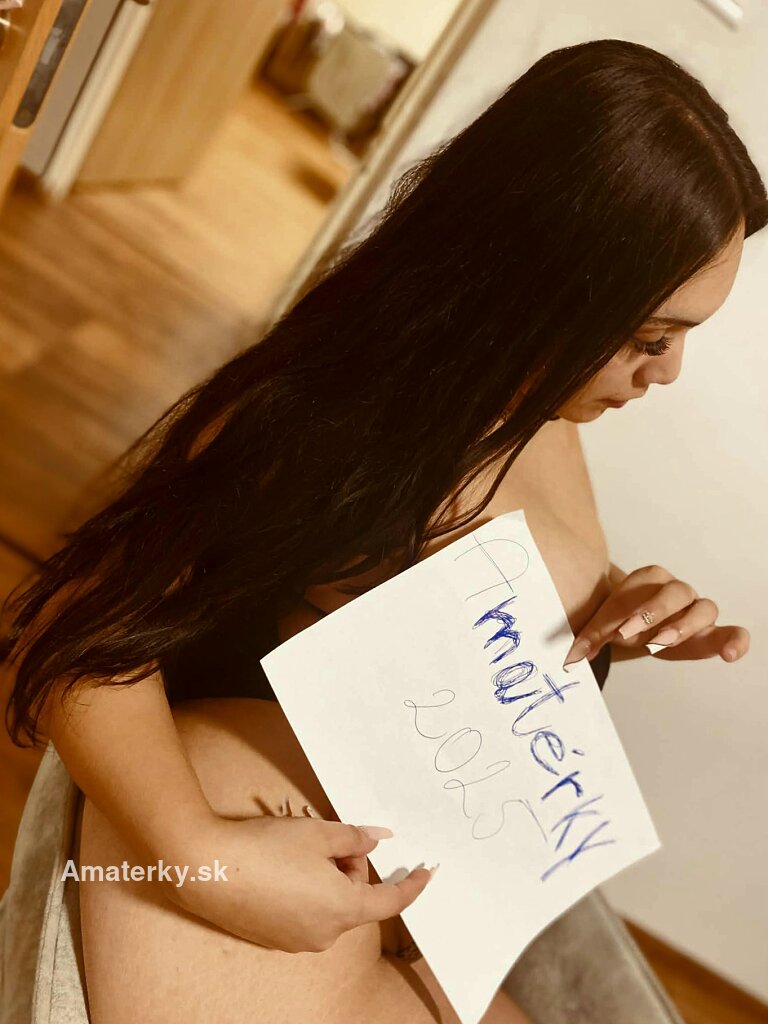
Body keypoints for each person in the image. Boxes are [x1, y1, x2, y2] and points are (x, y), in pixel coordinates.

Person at [2, 37, 765, 1024]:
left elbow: (445, 592)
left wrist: (613, 601)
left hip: (417, 906)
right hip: (282, 866)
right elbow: (76, 620)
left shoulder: (541, 418)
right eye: (651, 337)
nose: (666, 374)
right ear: (545, 284)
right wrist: (200, 854)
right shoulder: (335, 427)